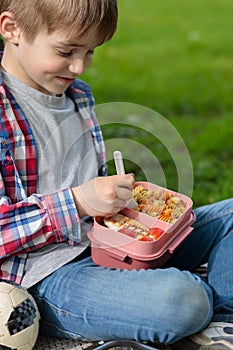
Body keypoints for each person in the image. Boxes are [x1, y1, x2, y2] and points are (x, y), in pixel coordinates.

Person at [0, 1, 232, 349]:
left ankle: (222, 321)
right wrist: (78, 201)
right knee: (184, 299)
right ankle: (185, 307)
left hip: (109, 245)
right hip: (47, 275)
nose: (79, 66)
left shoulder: (78, 96)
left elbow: (91, 185)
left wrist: (122, 201)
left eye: (90, 51)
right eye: (66, 51)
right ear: (12, 29)